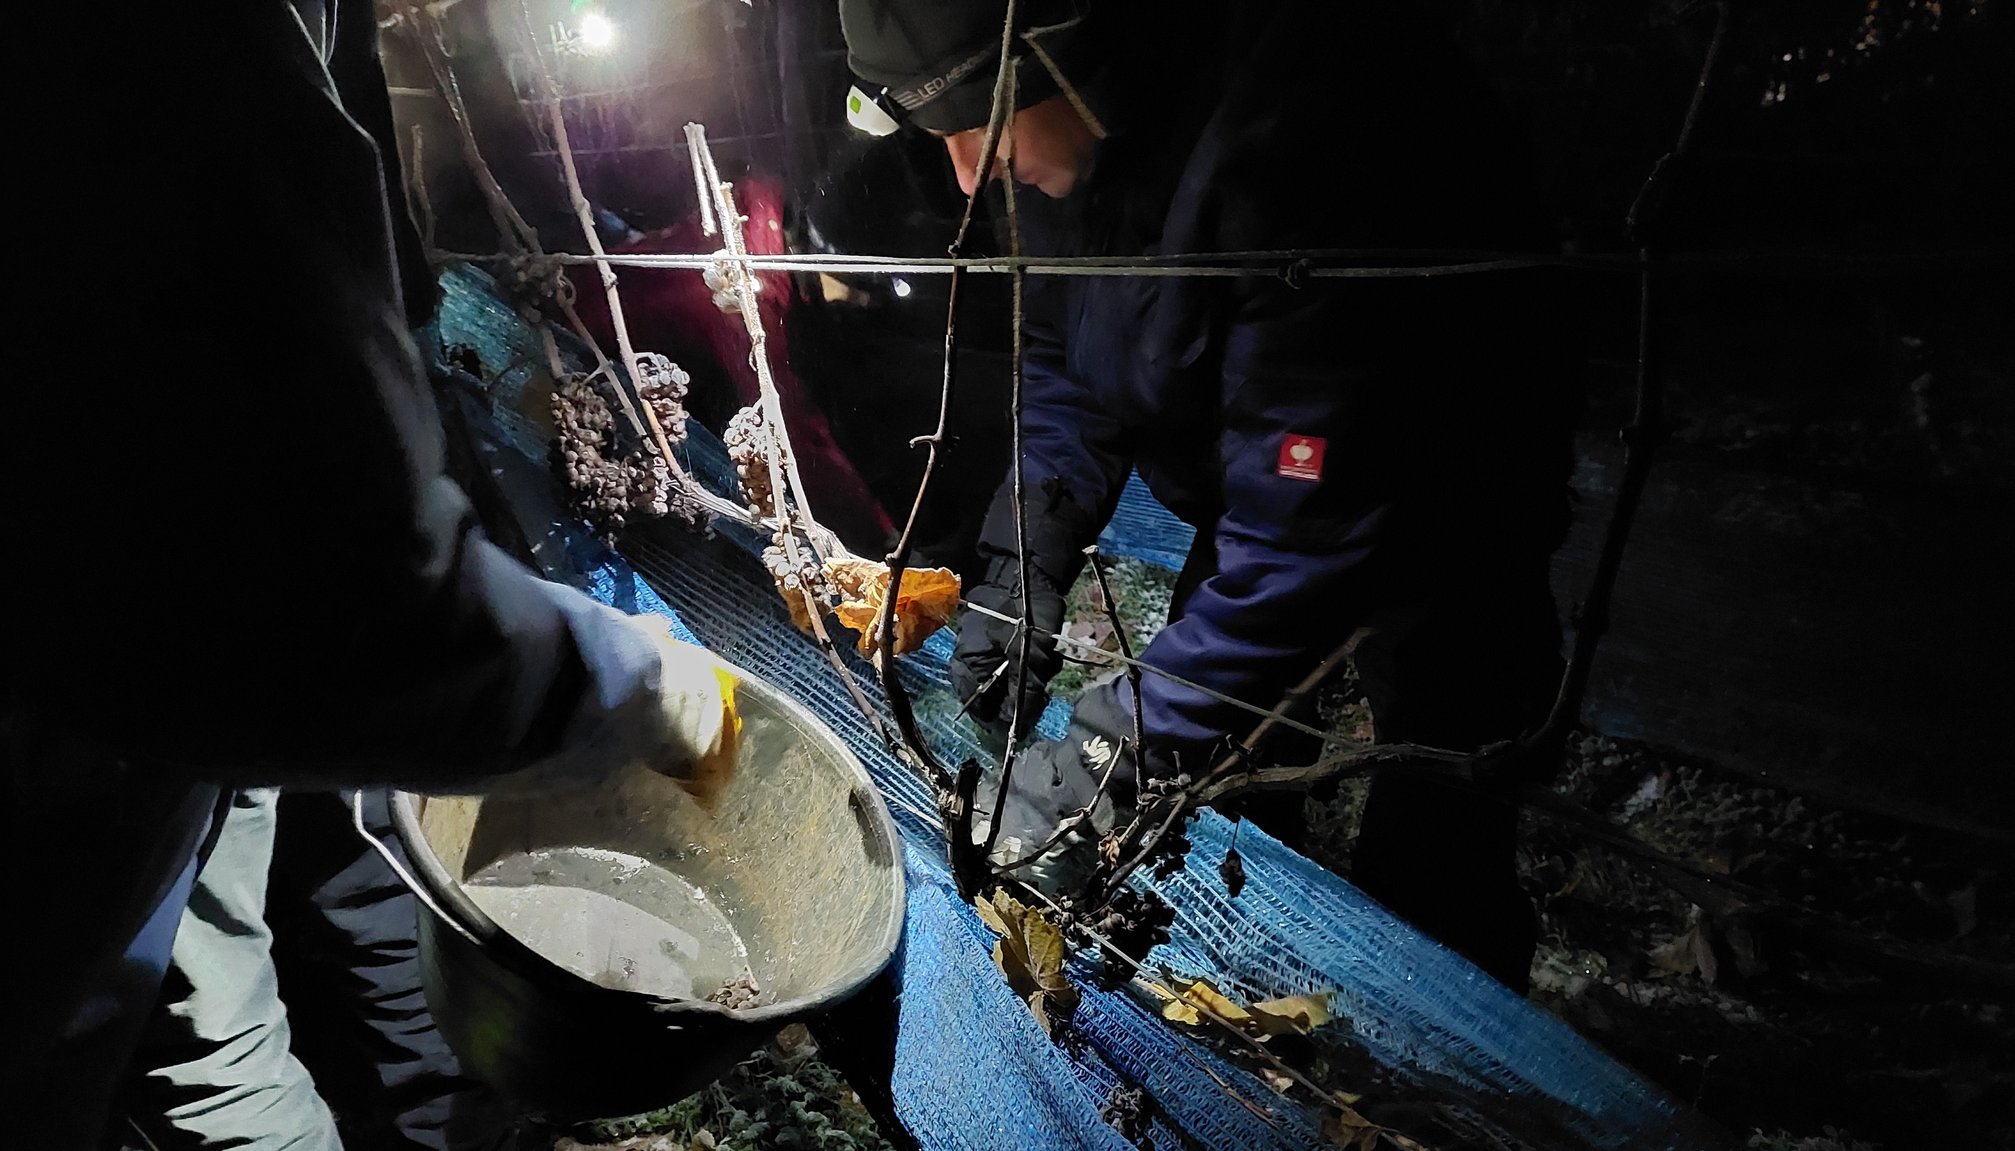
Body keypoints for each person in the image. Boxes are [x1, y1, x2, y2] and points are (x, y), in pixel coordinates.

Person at [6, 1, 741, 1145]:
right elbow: (335, 593)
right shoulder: (168, 49)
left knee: (231, 961)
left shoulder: (298, 45)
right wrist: (637, 686)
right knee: (178, 1006)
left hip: (150, 718)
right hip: (77, 769)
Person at [838, 0, 1580, 989]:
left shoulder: (1308, 132)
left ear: (1070, 47)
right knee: (1217, 766)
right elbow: (1064, 363)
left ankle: (1433, 1045)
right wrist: (1023, 564)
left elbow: (1305, 532)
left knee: (1438, 792)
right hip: (1262, 506)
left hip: (1450, 503)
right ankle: (1228, 966)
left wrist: (1102, 756)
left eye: (983, 120)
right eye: (942, 139)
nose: (970, 173)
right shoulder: (1086, 146)